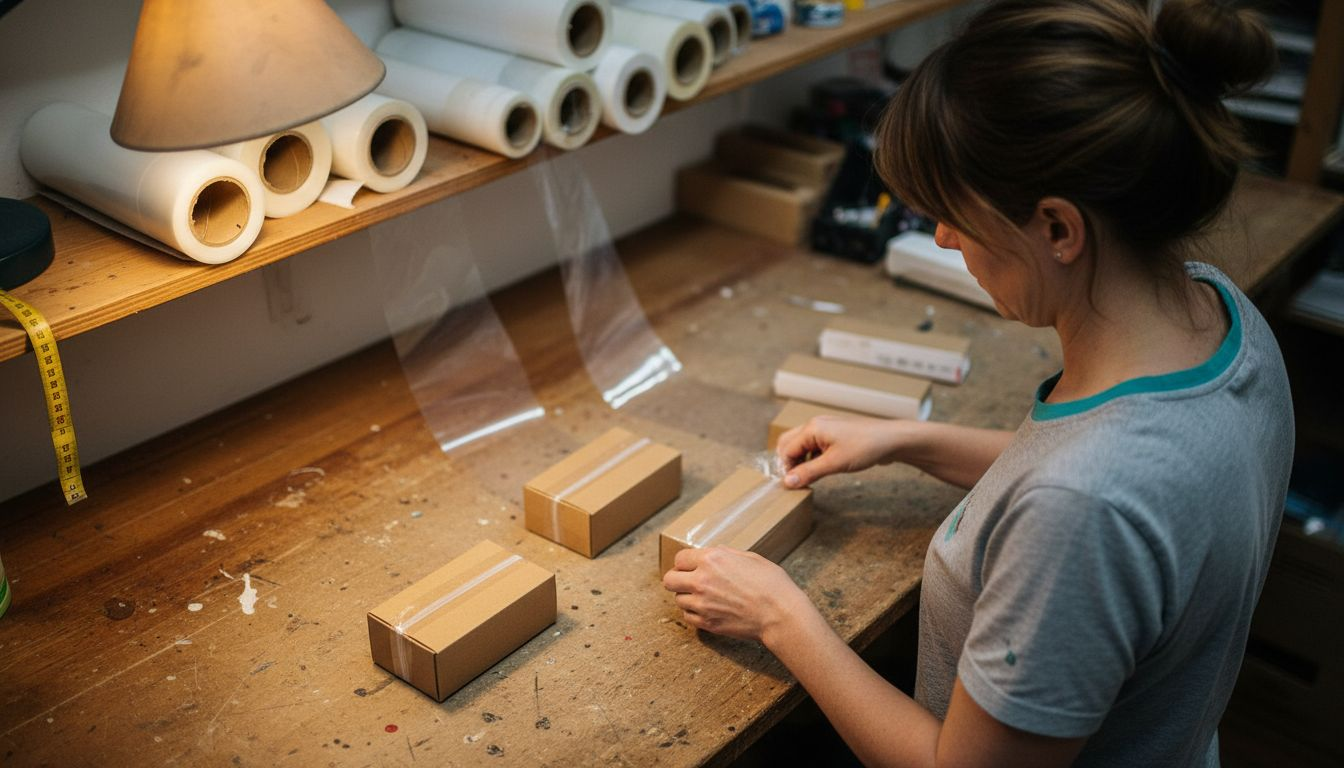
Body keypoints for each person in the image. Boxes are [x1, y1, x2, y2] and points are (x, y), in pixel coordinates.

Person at [662, 0, 1293, 765]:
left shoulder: (1083, 509)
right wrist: (911, 440)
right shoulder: (1222, 319)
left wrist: (780, 617)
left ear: (1058, 229)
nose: (942, 237)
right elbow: (1112, 476)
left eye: (956, 214)